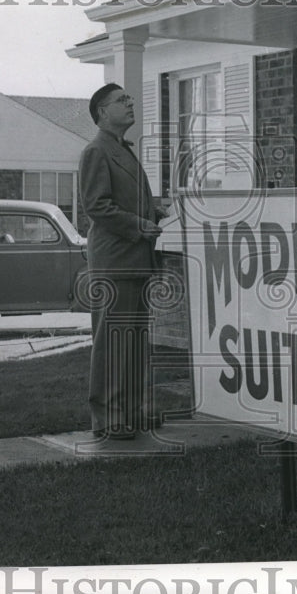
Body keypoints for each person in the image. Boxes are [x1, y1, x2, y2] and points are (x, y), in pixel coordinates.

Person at [79, 83, 169, 440]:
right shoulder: (96, 151)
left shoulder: (121, 149)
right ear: (102, 112)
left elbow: (123, 200)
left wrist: (153, 211)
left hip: (133, 260)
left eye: (129, 99)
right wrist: (138, 226)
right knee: (113, 342)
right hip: (115, 262)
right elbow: (96, 206)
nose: (130, 103)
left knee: (132, 340)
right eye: (122, 101)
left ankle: (130, 412)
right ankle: (109, 418)